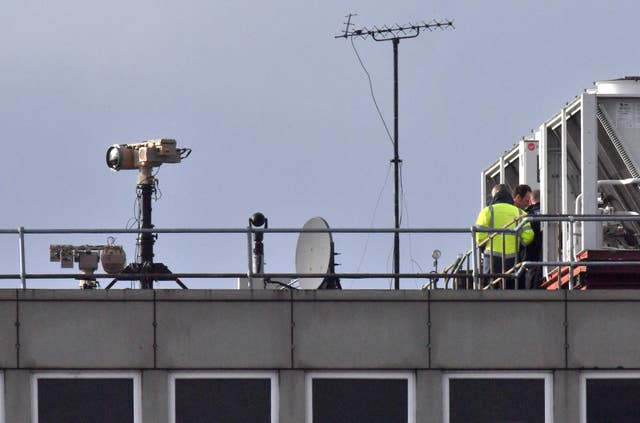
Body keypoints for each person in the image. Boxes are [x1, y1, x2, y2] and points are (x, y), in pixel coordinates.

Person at [475, 184, 534, 289]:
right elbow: (529, 235)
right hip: (512, 259)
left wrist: (485, 246)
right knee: (511, 287)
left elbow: (479, 236)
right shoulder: (520, 212)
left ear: (495, 195)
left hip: (492, 258)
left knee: (491, 288)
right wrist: (519, 245)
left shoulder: (488, 211)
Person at [523, 189, 543, 288]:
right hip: (551, 260)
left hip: (532, 258)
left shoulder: (526, 215)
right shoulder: (551, 211)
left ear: (530, 201)